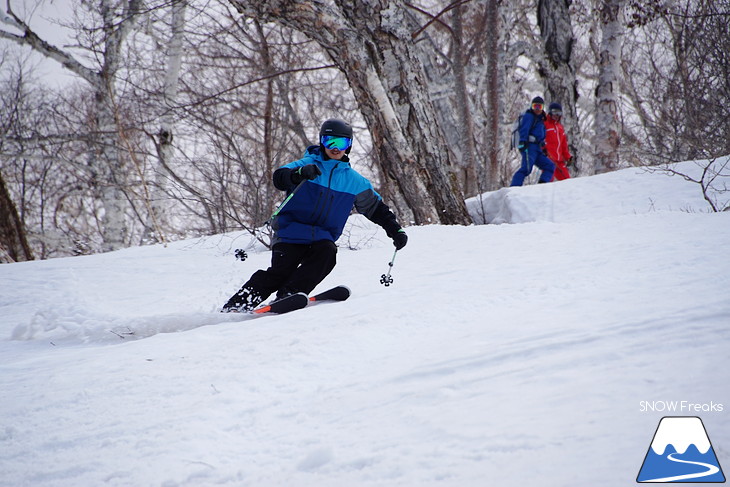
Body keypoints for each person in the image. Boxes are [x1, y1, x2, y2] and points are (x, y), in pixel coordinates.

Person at [222, 118, 408, 312]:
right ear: (322, 142)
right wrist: (299, 174)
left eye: (341, 143)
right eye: (330, 142)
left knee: (327, 253)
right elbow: (280, 178)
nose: (335, 148)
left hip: (322, 236)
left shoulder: (354, 182)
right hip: (290, 232)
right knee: (279, 273)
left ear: (349, 146)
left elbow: (376, 209)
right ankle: (237, 305)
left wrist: (395, 230)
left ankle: (290, 293)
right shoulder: (308, 164)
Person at [510, 96, 555, 186]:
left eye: (540, 107)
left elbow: (540, 135)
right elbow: (524, 129)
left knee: (550, 166)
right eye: (535, 106)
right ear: (531, 106)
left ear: (543, 108)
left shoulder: (541, 120)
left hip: (538, 149)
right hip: (529, 147)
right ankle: (514, 187)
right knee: (526, 168)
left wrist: (543, 147)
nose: (537, 109)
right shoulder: (529, 116)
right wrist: (523, 142)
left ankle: (542, 185)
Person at [544, 102, 573, 181]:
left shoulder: (559, 127)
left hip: (559, 160)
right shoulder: (545, 124)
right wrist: (543, 151)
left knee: (567, 180)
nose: (556, 115)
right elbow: (540, 139)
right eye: (554, 112)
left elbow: (563, 145)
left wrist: (568, 157)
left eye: (559, 113)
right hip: (548, 159)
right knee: (548, 181)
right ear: (550, 112)